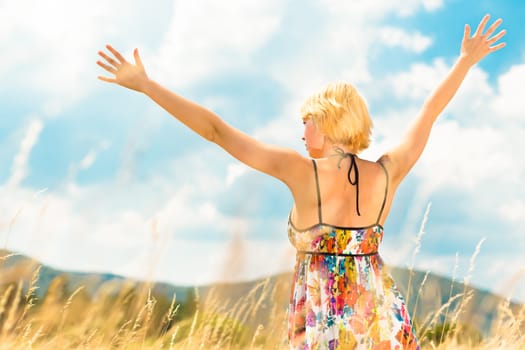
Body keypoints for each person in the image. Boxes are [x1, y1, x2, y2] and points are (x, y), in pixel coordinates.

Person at [97, 14, 505, 350]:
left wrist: (147, 86)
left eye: (306, 121)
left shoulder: (299, 171)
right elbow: (429, 112)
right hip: (382, 319)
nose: (302, 131)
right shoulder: (388, 172)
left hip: (324, 326)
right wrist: (464, 63)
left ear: (327, 122)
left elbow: (216, 131)